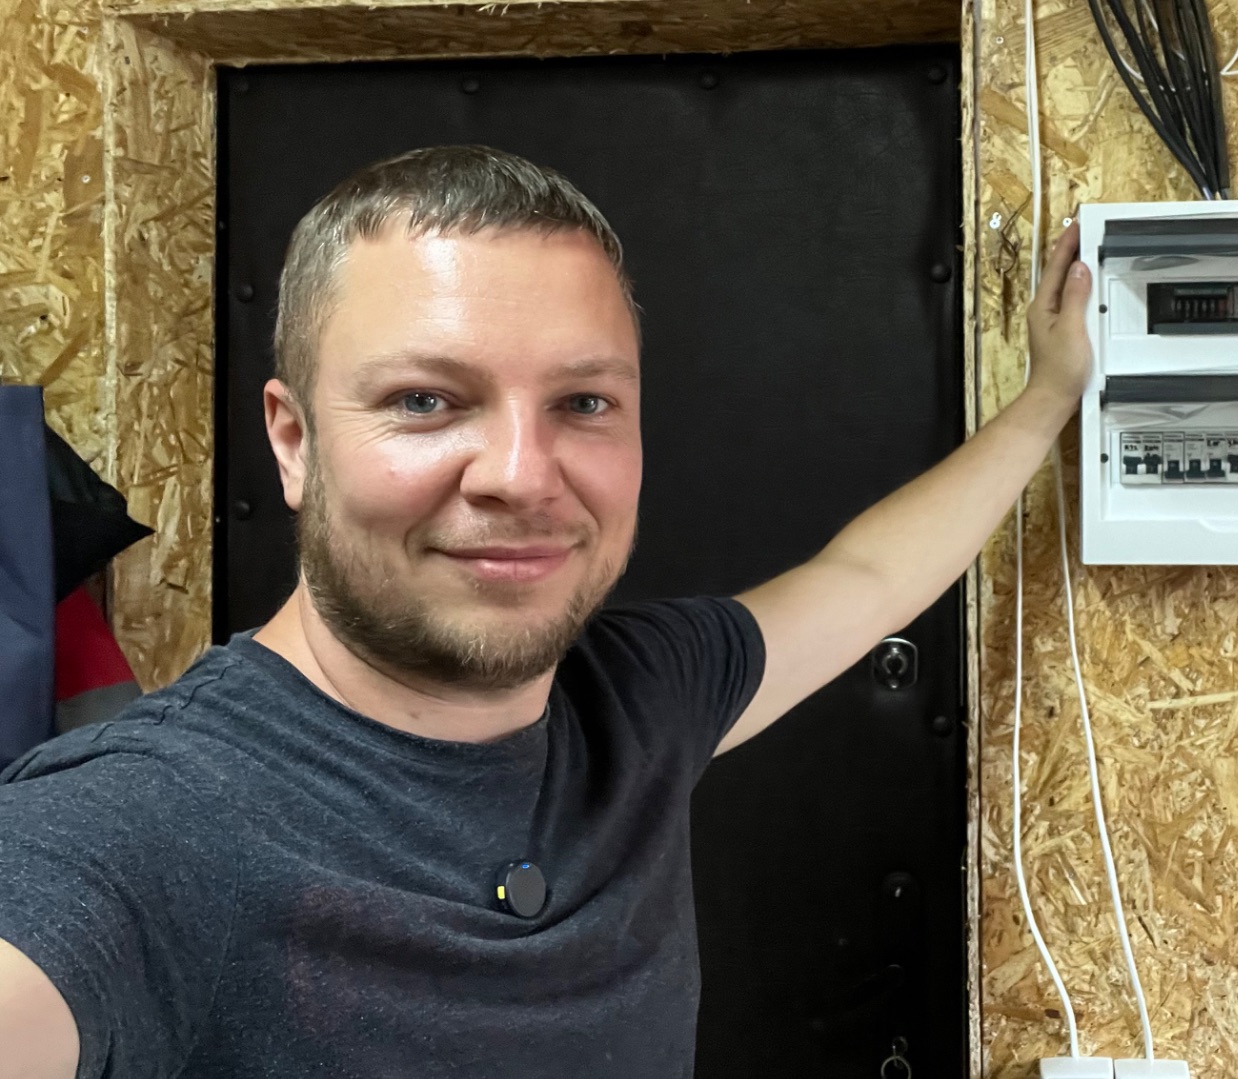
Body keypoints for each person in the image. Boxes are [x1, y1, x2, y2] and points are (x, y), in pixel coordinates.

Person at [0, 145, 1091, 1079]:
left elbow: (868, 577)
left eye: (583, 402)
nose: (522, 476)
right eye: (426, 400)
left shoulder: (642, 697)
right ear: (294, 440)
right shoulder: (137, 830)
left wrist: (1048, 398)